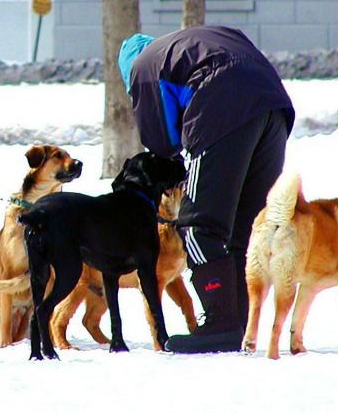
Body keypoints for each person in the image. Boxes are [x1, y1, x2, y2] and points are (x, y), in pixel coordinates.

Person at [118, 26, 295, 354]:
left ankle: (221, 322)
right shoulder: (190, 44)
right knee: (246, 229)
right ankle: (240, 323)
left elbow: (162, 144)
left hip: (219, 111)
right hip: (275, 110)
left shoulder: (143, 67)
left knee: (198, 225)